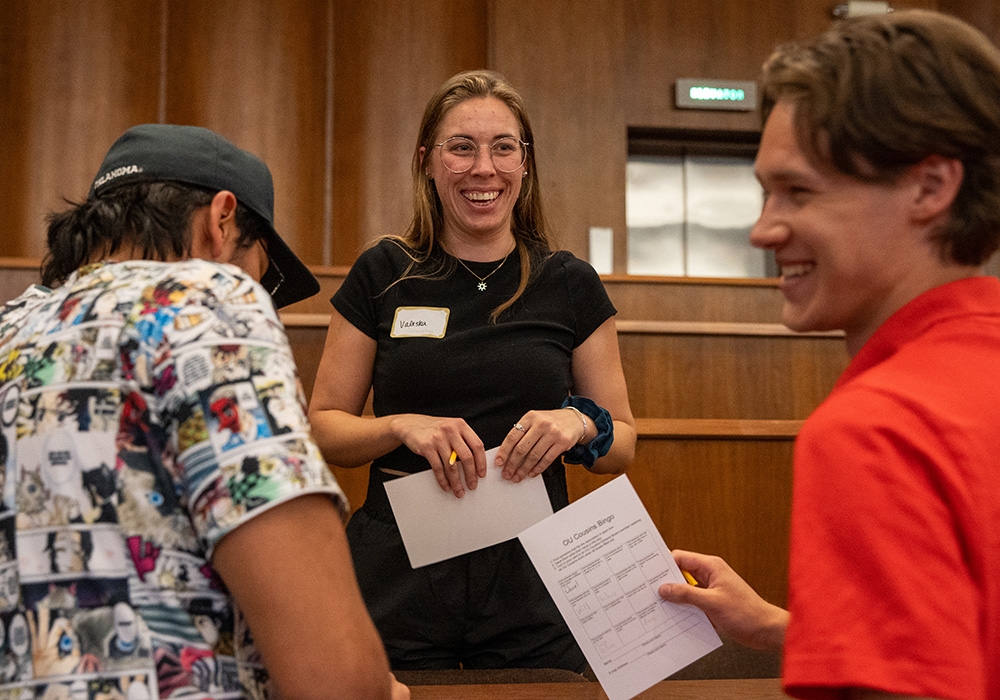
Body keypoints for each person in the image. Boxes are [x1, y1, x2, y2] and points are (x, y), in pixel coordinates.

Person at [658, 9, 1000, 700]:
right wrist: (789, 627)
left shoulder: (875, 431)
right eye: (765, 191)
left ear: (930, 188)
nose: (762, 230)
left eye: (800, 191)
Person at [0, 124, 408, 699]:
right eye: (259, 276)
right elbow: (334, 678)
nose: (256, 294)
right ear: (220, 221)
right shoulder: (205, 303)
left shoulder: (11, 329)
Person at [307, 69, 636, 671]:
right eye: (462, 147)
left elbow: (623, 442)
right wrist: (400, 426)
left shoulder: (569, 282)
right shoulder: (384, 272)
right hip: (398, 570)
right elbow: (325, 427)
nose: (484, 168)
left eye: (503, 147)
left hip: (533, 575)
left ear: (524, 163)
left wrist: (577, 424)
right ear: (428, 161)